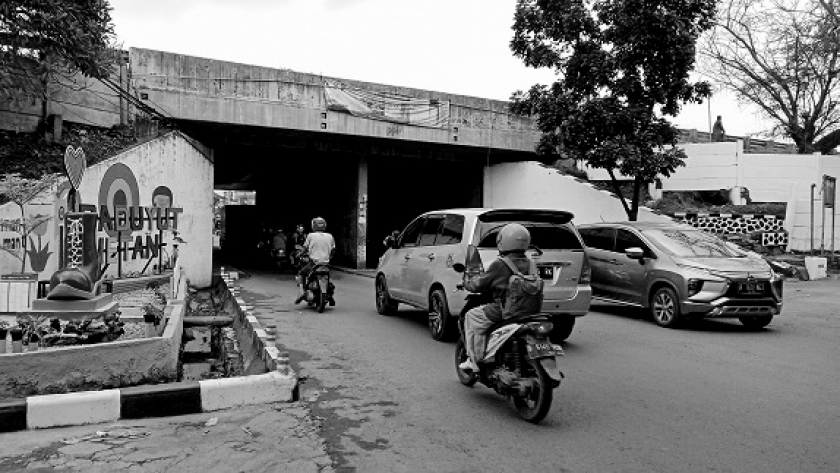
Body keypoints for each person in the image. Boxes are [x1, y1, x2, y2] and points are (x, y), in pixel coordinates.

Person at [459, 223, 540, 372]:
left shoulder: (500, 264)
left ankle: (474, 361)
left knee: (472, 316)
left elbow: (479, 284)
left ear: (502, 241)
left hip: (505, 311)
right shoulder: (530, 263)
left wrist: (467, 284)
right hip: (531, 312)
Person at [295, 217, 336, 304]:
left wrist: (299, 254)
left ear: (313, 226)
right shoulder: (330, 236)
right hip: (325, 263)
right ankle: (331, 295)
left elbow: (305, 249)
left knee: (301, 274)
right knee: (328, 277)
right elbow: (333, 250)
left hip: (313, 263)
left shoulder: (310, 235)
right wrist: (329, 257)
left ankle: (301, 293)